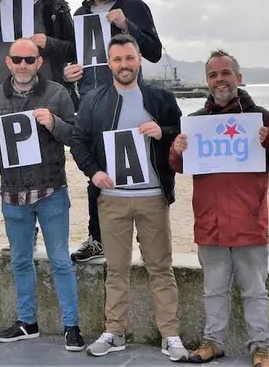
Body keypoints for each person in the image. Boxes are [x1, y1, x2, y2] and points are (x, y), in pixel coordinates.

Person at [169, 50, 269, 367]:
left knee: (255, 291)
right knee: (213, 290)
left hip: (248, 221)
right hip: (209, 222)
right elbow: (179, 165)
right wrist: (176, 149)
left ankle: (261, 347)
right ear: (207, 81)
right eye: (213, 75)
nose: (219, 80)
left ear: (238, 77)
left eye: (225, 73)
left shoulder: (261, 118)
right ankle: (213, 342)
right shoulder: (196, 121)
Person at [70, 34, 188, 361]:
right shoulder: (93, 100)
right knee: (116, 269)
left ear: (139, 60)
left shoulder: (161, 98)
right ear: (109, 63)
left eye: (129, 58)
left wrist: (162, 132)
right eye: (118, 59)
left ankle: (170, 335)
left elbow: (184, 135)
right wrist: (94, 172)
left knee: (160, 268)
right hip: (112, 198)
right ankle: (114, 332)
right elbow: (78, 141)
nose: (124, 65)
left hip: (153, 197)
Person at [0, 38, 85, 352]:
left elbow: (75, 136)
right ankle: (27, 322)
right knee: (21, 261)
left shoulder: (57, 93)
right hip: (12, 194)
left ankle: (71, 326)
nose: (23, 65)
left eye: (29, 59)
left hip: (51, 190)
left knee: (61, 260)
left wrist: (54, 123)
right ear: (8, 62)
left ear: (39, 61)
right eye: (17, 59)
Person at [0, 0, 77, 255]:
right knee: (12, 164)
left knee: (48, 161)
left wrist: (48, 44)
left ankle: (50, 231)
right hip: (5, 96)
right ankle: (24, 235)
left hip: (46, 96)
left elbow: (75, 48)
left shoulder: (55, 8)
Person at [65, 0, 164, 264]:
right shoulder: (80, 14)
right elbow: (75, 57)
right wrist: (70, 74)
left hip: (131, 99)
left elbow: (154, 52)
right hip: (93, 104)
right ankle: (97, 238)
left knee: (142, 165)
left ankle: (146, 237)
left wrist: (126, 25)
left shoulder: (134, 6)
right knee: (97, 171)